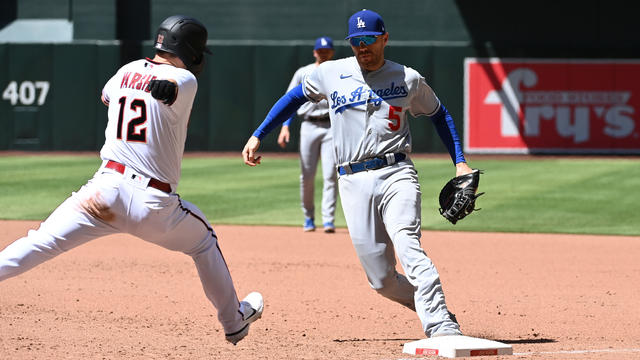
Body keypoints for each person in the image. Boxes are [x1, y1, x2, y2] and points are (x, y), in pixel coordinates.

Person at [0, 15, 263, 346]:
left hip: (102, 192)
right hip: (152, 204)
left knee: (40, 241)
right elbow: (176, 86)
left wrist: (148, 87)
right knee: (203, 242)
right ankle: (233, 321)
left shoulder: (126, 70)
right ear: (192, 51)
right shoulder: (186, 80)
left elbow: (108, 96)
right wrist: (163, 89)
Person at [242, 9, 474, 338]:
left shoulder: (407, 78)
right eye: (355, 42)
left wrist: (460, 161)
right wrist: (259, 133)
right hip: (352, 181)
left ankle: (440, 324)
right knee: (381, 280)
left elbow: (439, 114)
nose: (362, 47)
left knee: (407, 242)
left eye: (368, 40)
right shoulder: (331, 73)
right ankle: (428, 303)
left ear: (385, 39)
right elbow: (293, 97)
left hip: (397, 173)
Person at [276, 36, 338, 233]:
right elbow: (290, 100)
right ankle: (309, 217)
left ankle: (328, 220)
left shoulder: (338, 71)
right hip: (309, 126)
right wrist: (285, 126)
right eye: (320, 51)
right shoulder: (303, 72)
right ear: (314, 52)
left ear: (332, 52)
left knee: (330, 175)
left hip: (331, 127)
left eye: (327, 51)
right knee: (307, 175)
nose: (324, 53)